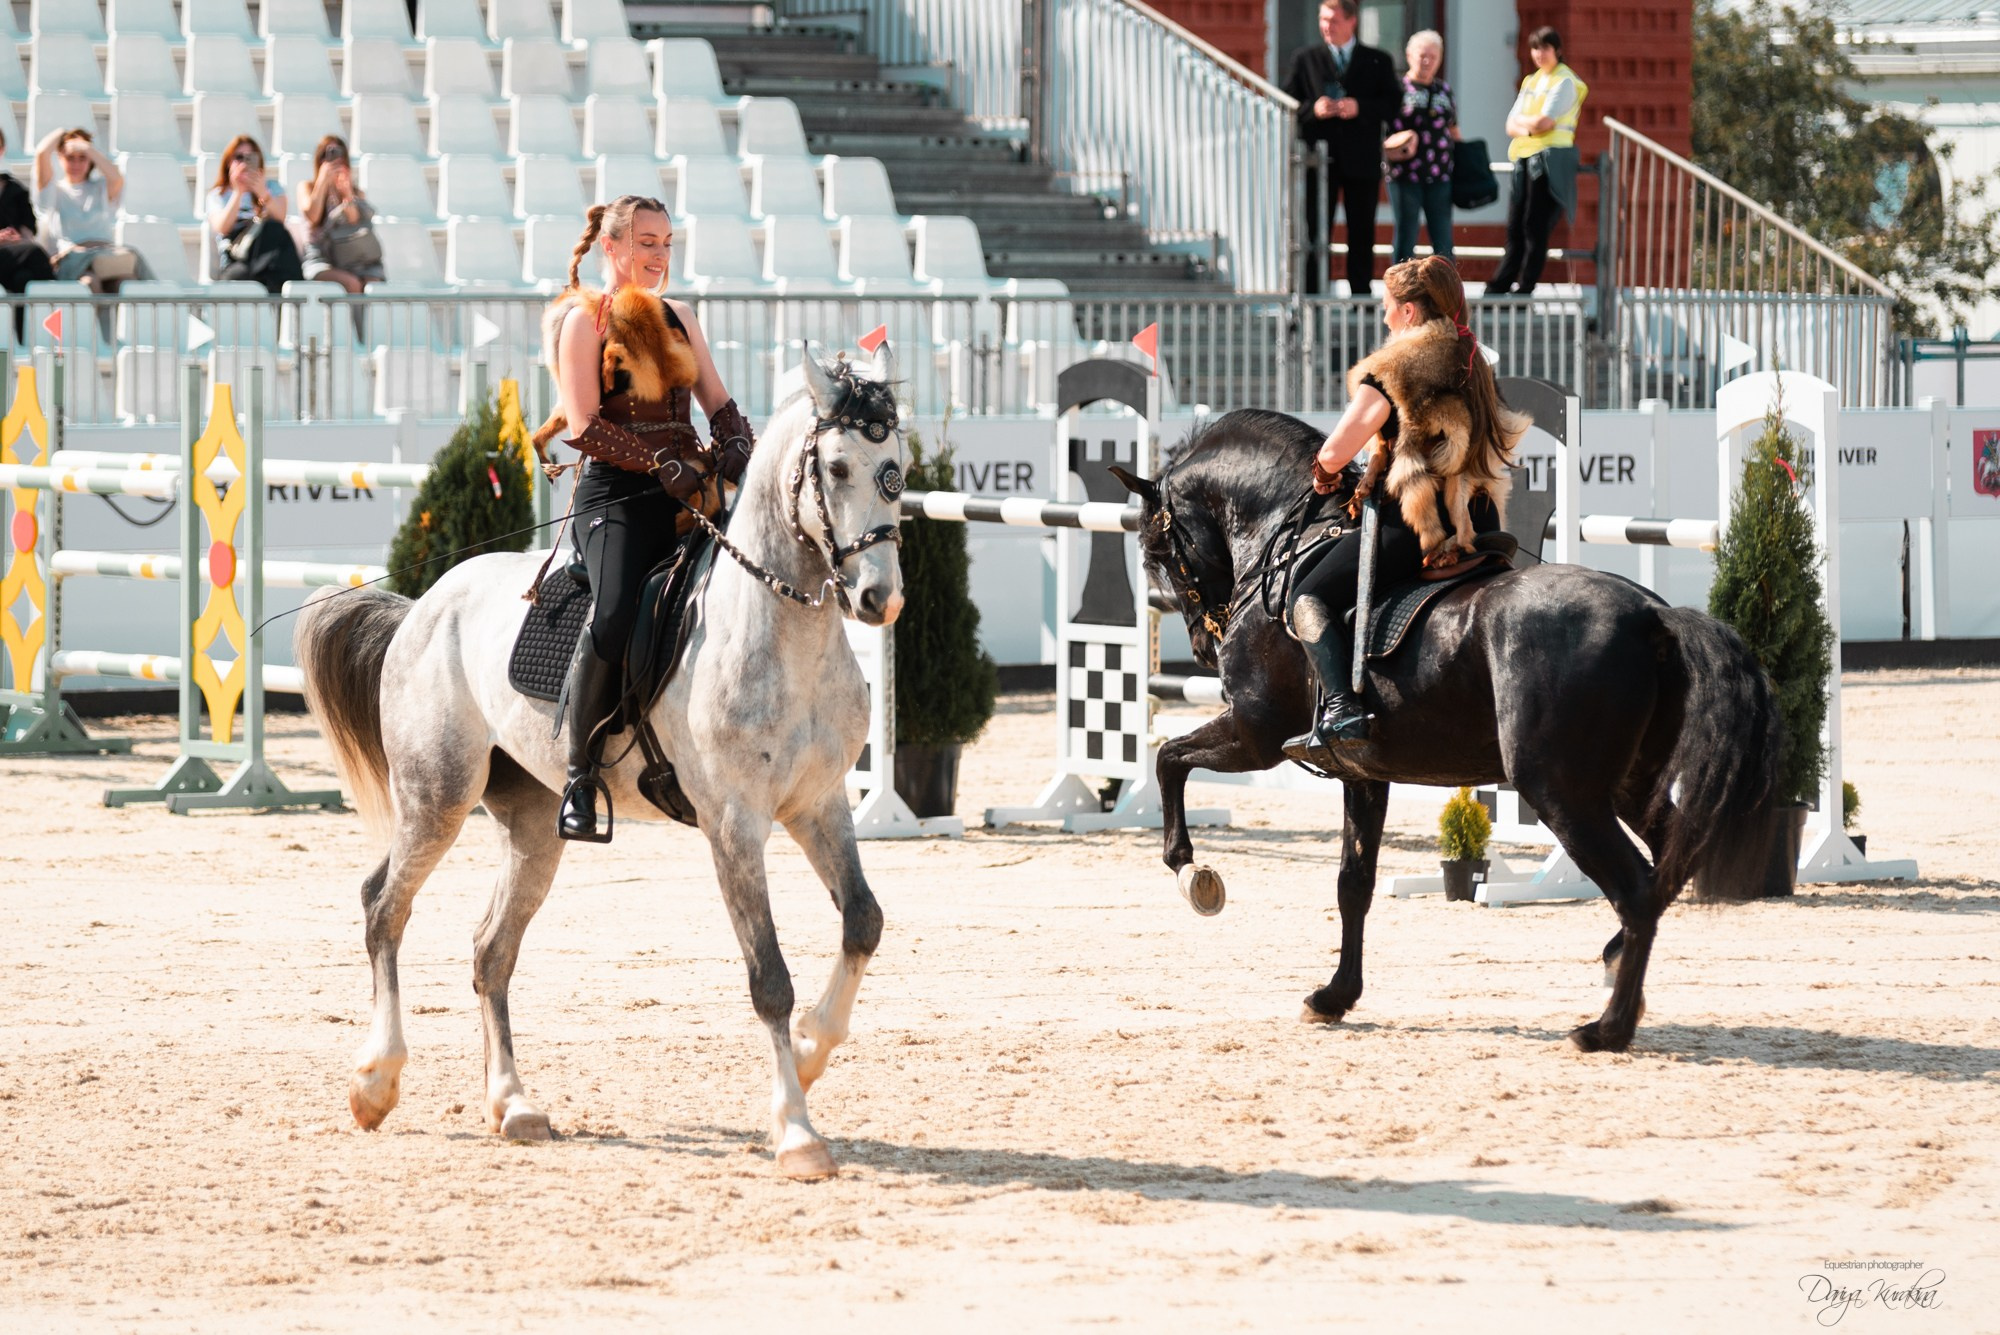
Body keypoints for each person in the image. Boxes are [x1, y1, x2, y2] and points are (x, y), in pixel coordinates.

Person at [545, 195, 757, 842]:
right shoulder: (585, 322)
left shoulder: (681, 316)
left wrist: (736, 441)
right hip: (614, 497)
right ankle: (581, 774)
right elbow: (583, 427)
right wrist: (661, 466)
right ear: (611, 248)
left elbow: (716, 399)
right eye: (645, 242)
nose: (659, 255)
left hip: (689, 489)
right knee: (612, 613)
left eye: (666, 242)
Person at [1281, 257, 1524, 765]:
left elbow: (1332, 452)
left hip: (1419, 526)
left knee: (1308, 595)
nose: (1384, 319)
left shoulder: (1393, 368)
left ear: (1410, 313)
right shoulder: (1472, 359)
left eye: (1389, 309)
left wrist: (1326, 475)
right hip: (1480, 524)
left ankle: (1343, 711)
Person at [1283, 0, 1398, 296]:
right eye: (1323, 20)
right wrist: (1313, 109)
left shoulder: (1378, 60)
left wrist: (1359, 106)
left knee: (1362, 232)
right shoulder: (1305, 58)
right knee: (1314, 231)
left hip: (1361, 159)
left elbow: (1393, 105)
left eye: (1333, 20)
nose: (1326, 26)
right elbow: (1287, 104)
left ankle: (1359, 296)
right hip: (1318, 160)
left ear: (1351, 21)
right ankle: (1311, 296)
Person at [1486, 27, 1588, 297]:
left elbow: (1546, 122)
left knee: (1535, 225)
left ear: (1558, 50)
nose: (1539, 54)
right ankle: (1503, 280)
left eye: (1544, 47)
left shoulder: (1565, 81)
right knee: (1516, 224)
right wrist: (1531, 127)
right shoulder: (1531, 81)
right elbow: (1510, 124)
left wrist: (1528, 125)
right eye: (1534, 48)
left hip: (1550, 160)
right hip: (1524, 159)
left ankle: (1526, 284)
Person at [33, 127, 151, 293]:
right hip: (74, 260)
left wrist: (86, 147)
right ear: (61, 157)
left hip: (105, 258)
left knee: (128, 283)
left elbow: (116, 178)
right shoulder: (55, 191)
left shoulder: (101, 187)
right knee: (89, 283)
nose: (76, 164)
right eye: (70, 158)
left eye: (82, 158)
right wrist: (62, 133)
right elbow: (41, 153)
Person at [1384, 30, 1459, 265]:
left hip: (1440, 176)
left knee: (1444, 242)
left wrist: (1468, 160)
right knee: (1405, 240)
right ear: (1409, 55)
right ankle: (1398, 295)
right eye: (1422, 55)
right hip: (1405, 175)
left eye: (1433, 57)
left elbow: (1454, 129)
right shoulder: (1397, 89)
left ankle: (1447, 299)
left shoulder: (1444, 90)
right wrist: (1403, 138)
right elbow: (1383, 134)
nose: (1427, 61)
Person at [204, 134, 305, 292]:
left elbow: (280, 218)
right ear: (228, 162)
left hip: (271, 259)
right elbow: (222, 228)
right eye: (239, 157)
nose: (244, 163)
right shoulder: (217, 195)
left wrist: (262, 193)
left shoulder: (272, 188)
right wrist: (238, 192)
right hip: (236, 260)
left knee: (273, 229)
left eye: (250, 158)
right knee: (250, 277)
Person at [299, 136, 384, 293]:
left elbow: (355, 224)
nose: (334, 160)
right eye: (327, 154)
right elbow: (313, 217)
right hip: (321, 258)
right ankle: (350, 319)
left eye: (339, 154)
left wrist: (347, 194)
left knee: (372, 284)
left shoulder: (356, 192)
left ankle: (367, 319)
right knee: (351, 284)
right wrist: (323, 181)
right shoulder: (307, 187)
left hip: (350, 258)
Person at [0, 127, 55, 340]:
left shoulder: (16, 190)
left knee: (26, 278)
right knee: (35, 254)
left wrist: (16, 238)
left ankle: (27, 343)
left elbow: (28, 231)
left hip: (14, 258)